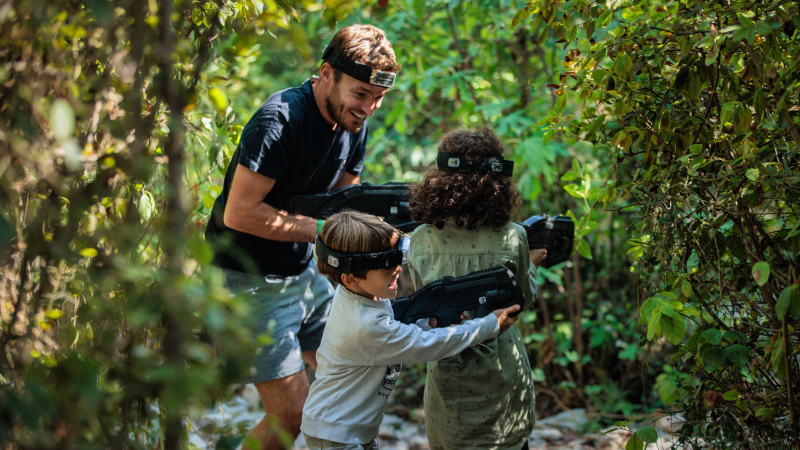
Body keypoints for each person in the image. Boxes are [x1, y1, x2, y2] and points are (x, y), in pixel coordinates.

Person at [203, 25, 400, 449]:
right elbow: (240, 212)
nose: (370, 107)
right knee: (291, 414)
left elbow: (341, 205)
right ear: (327, 73)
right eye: (361, 93)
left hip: (303, 273)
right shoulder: (280, 119)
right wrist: (324, 231)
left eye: (378, 97)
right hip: (246, 278)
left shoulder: (354, 123)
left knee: (353, 375)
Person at [301, 210, 522, 450]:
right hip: (336, 434)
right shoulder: (364, 325)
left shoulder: (358, 296)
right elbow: (429, 346)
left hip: (347, 427)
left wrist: (430, 323)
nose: (398, 269)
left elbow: (395, 331)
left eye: (399, 259)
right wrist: (488, 325)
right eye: (387, 268)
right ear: (351, 277)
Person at [406, 129, 548, 450]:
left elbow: (428, 304)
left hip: (448, 377)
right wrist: (534, 264)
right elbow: (521, 301)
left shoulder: (420, 239)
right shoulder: (514, 237)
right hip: (502, 376)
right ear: (498, 183)